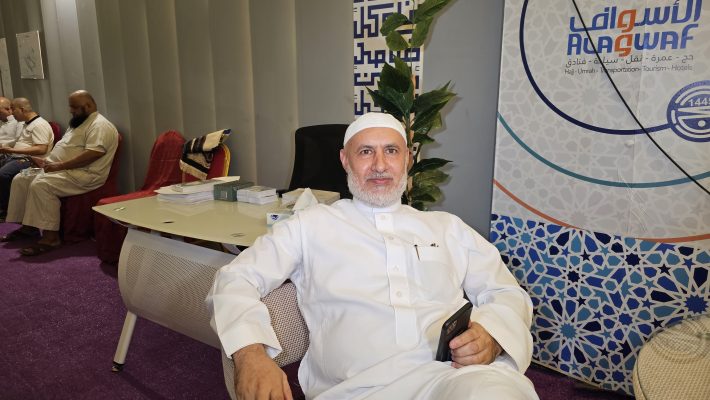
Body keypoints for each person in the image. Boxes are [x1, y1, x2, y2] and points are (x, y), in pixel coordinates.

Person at [207, 112, 538, 399]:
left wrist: (493, 335)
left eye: (391, 151)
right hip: (353, 390)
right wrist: (250, 353)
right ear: (345, 160)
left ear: (407, 159)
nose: (380, 165)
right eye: (366, 152)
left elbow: (505, 291)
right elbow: (236, 277)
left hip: (452, 379)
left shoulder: (447, 227)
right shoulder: (310, 225)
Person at [1, 90, 118, 256]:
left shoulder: (100, 125)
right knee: (21, 178)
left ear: (88, 106)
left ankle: (51, 238)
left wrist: (60, 165)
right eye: (71, 106)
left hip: (85, 174)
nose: (71, 110)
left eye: (74, 107)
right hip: (63, 168)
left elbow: (93, 154)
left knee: (42, 185)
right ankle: (28, 228)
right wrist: (47, 162)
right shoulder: (78, 122)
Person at [0, 98, 54, 221]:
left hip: (31, 160)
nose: (11, 113)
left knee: (3, 174)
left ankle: (6, 209)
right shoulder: (27, 123)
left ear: (22, 109)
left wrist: (12, 150)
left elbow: (41, 149)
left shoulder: (39, 125)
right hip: (17, 157)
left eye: (13, 109)